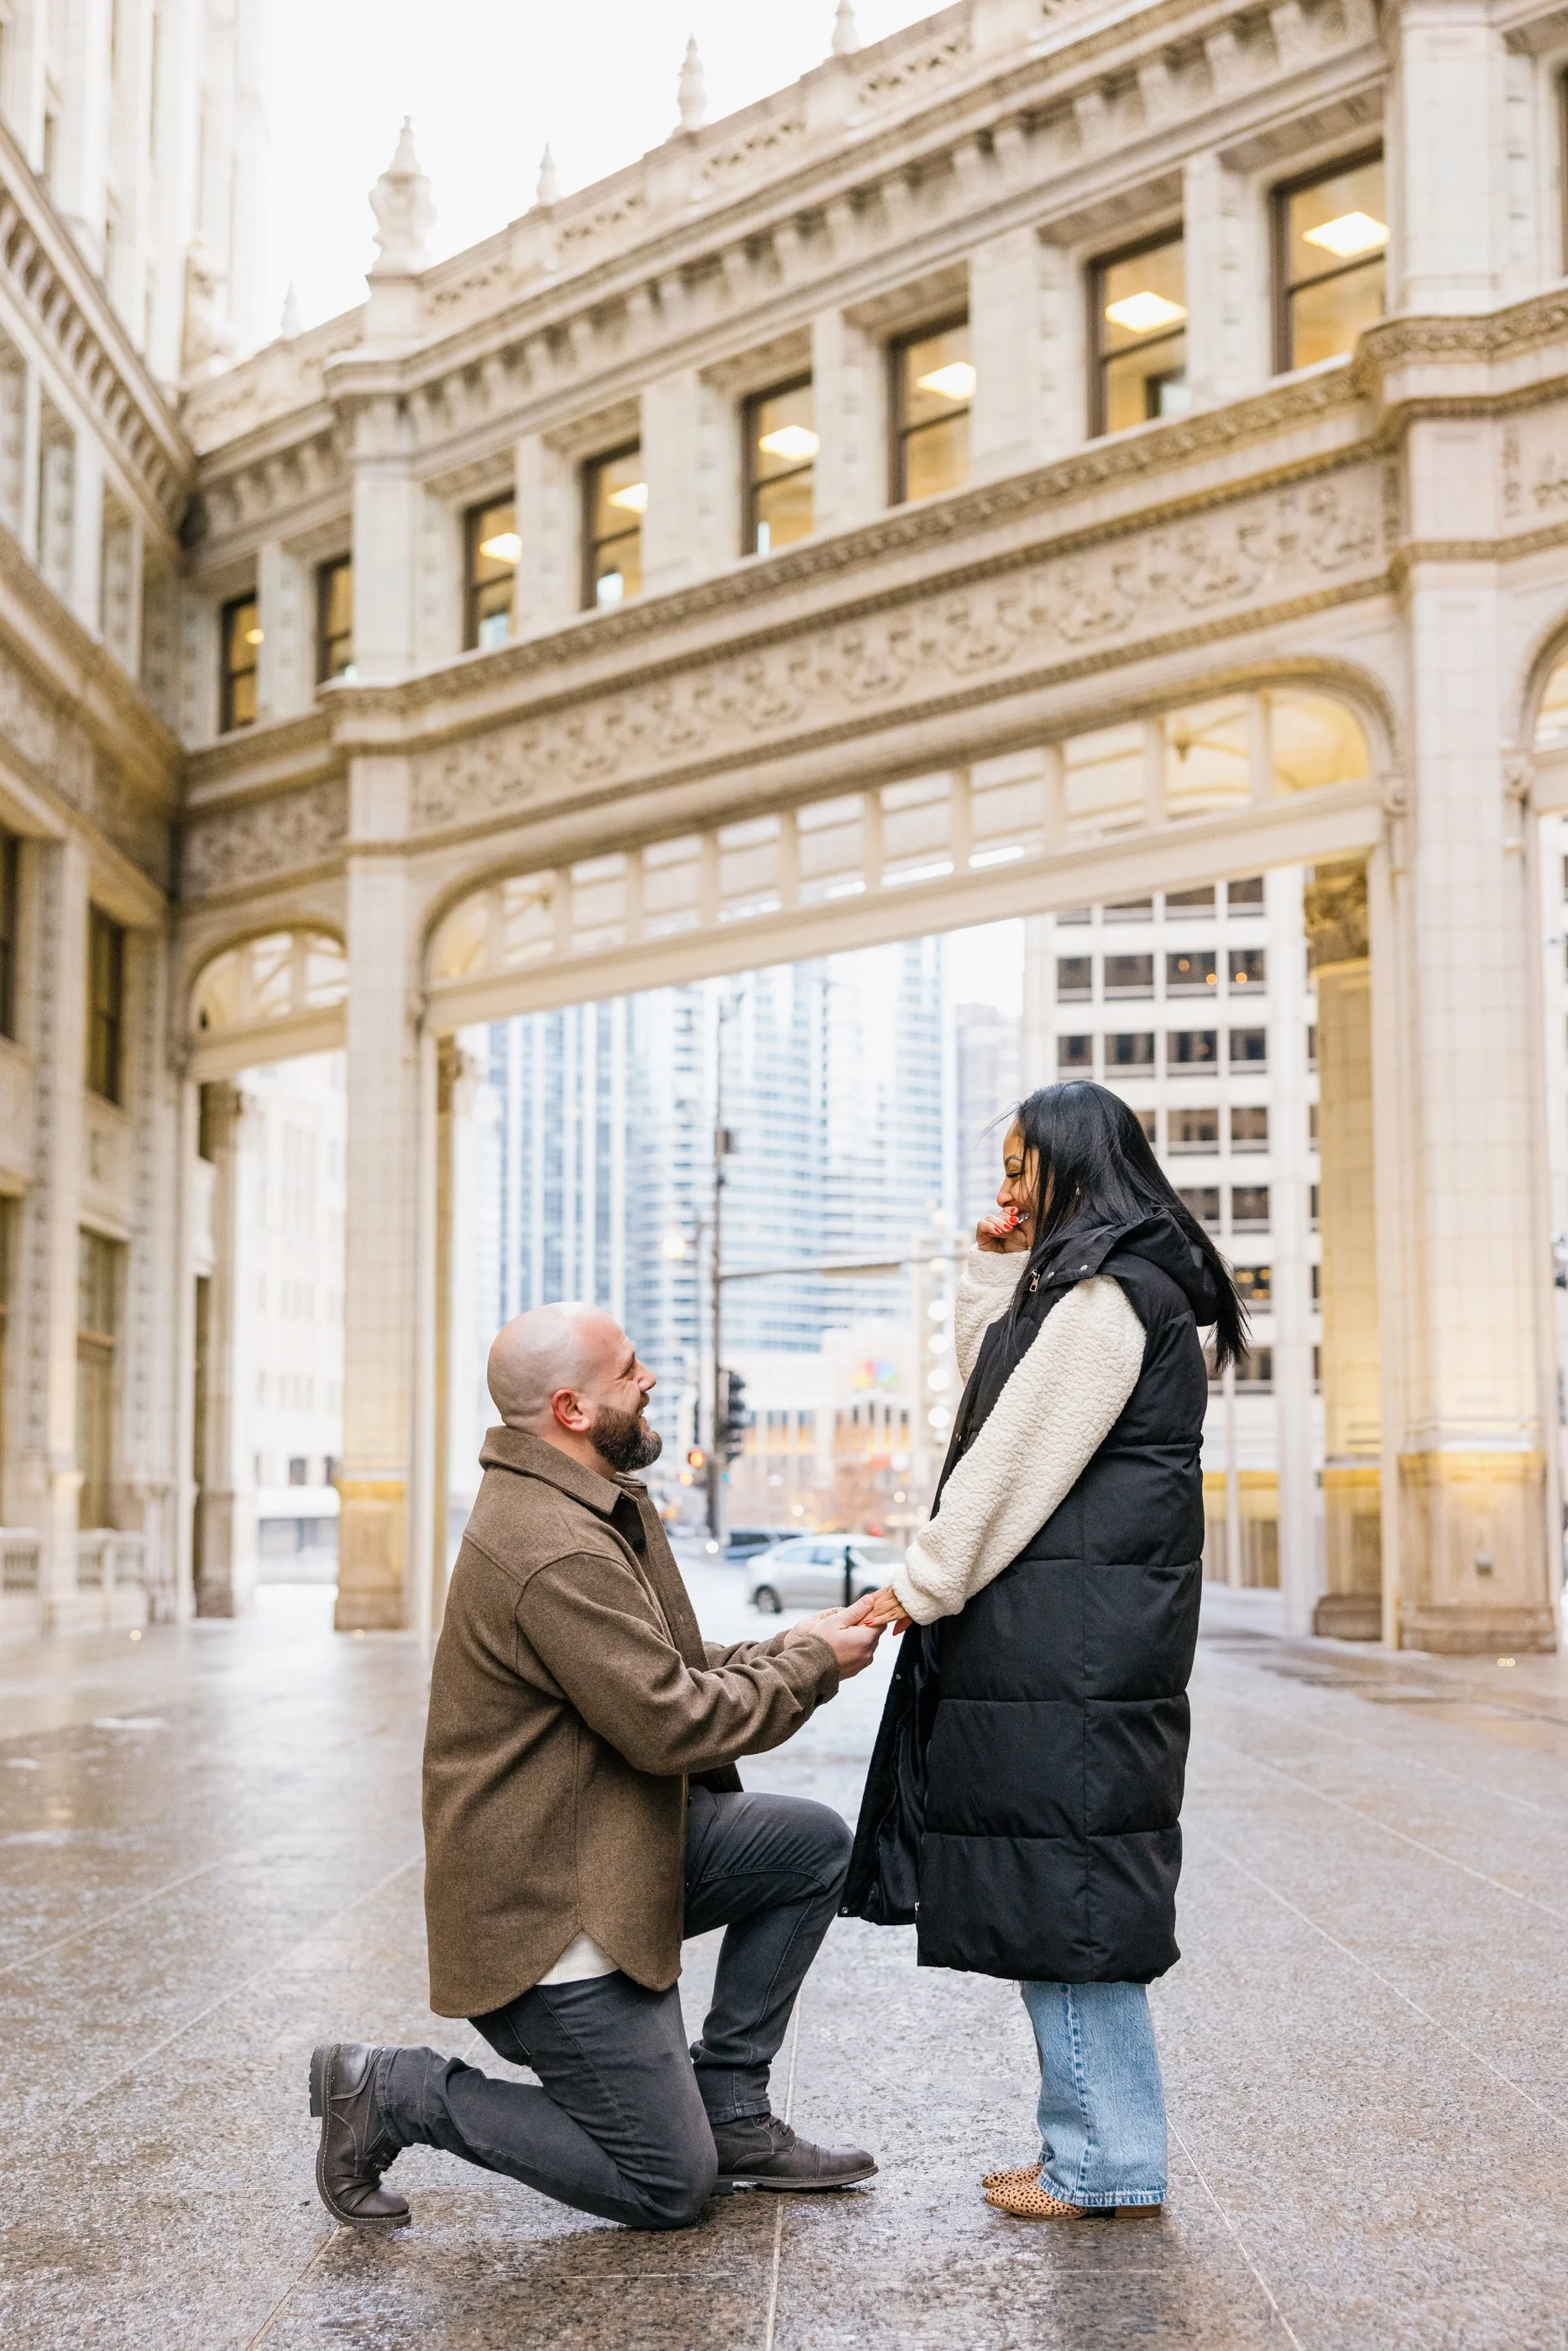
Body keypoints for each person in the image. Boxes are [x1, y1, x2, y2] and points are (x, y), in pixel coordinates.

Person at [311, 1301, 882, 2233]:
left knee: (808, 1845)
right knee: (665, 2182)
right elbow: (672, 1723)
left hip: (609, 1837)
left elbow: (670, 1671)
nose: (648, 1377)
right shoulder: (553, 1546)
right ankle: (395, 2089)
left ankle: (730, 2107)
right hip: (549, 1901)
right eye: (627, 1370)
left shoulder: (589, 1502)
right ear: (572, 1410)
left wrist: (795, 1641)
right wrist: (811, 1666)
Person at [844, 1081, 1246, 2221]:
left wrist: (919, 1587)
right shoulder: (1090, 1284)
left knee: (1071, 1908)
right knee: (1063, 1896)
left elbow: (1010, 1458)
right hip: (1071, 1649)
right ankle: (1088, 2148)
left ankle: (1105, 2164)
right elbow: (995, 1392)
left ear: (1072, 1165)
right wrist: (988, 1270)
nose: (1009, 1186)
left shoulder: (1110, 1295)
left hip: (1070, 1656)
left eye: (1023, 1166)